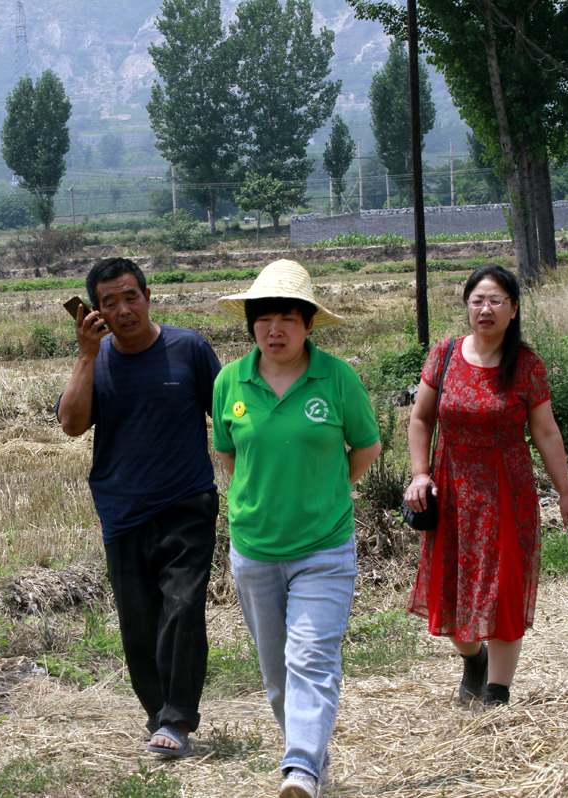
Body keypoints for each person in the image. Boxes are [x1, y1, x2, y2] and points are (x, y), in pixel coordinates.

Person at [212, 260, 382, 798]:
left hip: (323, 549)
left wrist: (324, 492)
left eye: (288, 316)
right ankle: (310, 765)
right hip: (254, 550)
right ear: (251, 325)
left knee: (310, 657)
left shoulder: (336, 378)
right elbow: (227, 455)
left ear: (309, 324)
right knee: (278, 676)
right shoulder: (229, 381)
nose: (275, 328)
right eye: (264, 317)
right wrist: (262, 499)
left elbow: (367, 448)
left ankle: (300, 769)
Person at [56, 256, 221, 757]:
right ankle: (157, 714)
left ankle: (177, 718)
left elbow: (229, 415)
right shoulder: (96, 361)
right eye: (110, 302)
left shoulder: (187, 348)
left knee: (185, 606)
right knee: (138, 620)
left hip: (187, 500)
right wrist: (85, 355)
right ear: (96, 312)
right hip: (122, 508)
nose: (124, 309)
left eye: (131, 297)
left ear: (148, 297)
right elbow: (70, 424)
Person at [404, 264, 568, 709]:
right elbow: (421, 418)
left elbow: (545, 433)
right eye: (478, 300)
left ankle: (498, 693)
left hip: (507, 490)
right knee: (451, 592)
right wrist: (420, 473)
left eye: (496, 300)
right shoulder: (443, 355)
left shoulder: (526, 365)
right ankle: (474, 659)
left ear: (514, 309)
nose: (486, 309)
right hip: (451, 489)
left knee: (503, 590)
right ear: (467, 306)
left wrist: (565, 493)